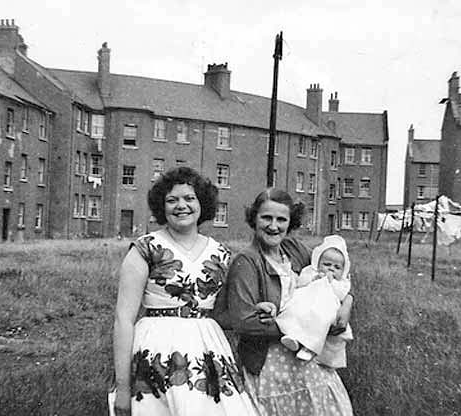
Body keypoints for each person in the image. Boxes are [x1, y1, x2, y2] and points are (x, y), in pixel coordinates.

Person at [112, 167, 257, 416]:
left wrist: (258, 310)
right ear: (161, 206)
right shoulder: (146, 248)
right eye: (172, 200)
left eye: (189, 198)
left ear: (202, 204)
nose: (181, 206)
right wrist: (123, 388)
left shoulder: (220, 253)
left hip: (207, 351)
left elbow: (224, 313)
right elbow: (123, 319)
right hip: (156, 350)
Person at [218, 188, 353, 415]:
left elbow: (337, 270)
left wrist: (347, 302)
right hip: (269, 363)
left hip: (308, 360)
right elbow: (244, 322)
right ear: (254, 219)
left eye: (281, 219)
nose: (274, 226)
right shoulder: (247, 261)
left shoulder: (293, 250)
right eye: (266, 218)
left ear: (290, 222)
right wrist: (304, 326)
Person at [271, 235, 354, 368]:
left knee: (320, 321)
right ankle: (293, 337)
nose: (331, 269)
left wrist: (331, 282)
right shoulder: (311, 271)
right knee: (295, 311)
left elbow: (343, 294)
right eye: (327, 265)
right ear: (318, 263)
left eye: (337, 267)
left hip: (326, 306)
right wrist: (315, 278)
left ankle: (309, 349)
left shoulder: (341, 282)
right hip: (306, 300)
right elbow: (301, 282)